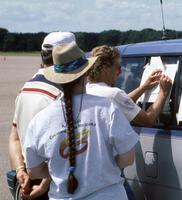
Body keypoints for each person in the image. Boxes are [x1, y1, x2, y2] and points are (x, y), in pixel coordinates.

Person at [23, 42, 138, 200]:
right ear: (86, 72)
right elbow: (128, 158)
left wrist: (60, 169)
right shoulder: (107, 108)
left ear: (57, 79)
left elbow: (34, 171)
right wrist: (104, 167)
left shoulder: (40, 120)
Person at [8, 32, 76, 199]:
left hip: (26, 180)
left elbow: (14, 138)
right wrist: (44, 184)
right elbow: (62, 149)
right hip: (52, 184)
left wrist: (20, 171)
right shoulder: (61, 94)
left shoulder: (25, 89)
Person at [86, 45, 173, 126]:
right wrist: (163, 92)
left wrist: (143, 87)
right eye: (118, 67)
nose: (120, 72)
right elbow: (148, 120)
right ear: (105, 68)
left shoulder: (86, 90)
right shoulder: (113, 94)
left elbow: (121, 103)